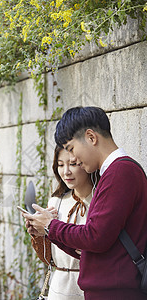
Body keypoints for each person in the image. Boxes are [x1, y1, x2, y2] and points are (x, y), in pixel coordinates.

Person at [24, 106, 147, 300]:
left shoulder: (120, 172)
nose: (73, 159)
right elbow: (88, 247)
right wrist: (47, 231)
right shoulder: (112, 174)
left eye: (72, 149)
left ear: (91, 137)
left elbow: (95, 237)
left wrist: (50, 225)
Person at [27, 145, 98, 299]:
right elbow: (49, 258)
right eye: (60, 165)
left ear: (86, 163)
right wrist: (39, 234)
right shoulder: (56, 202)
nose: (66, 171)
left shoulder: (100, 202)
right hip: (58, 290)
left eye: (73, 164)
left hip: (90, 289)